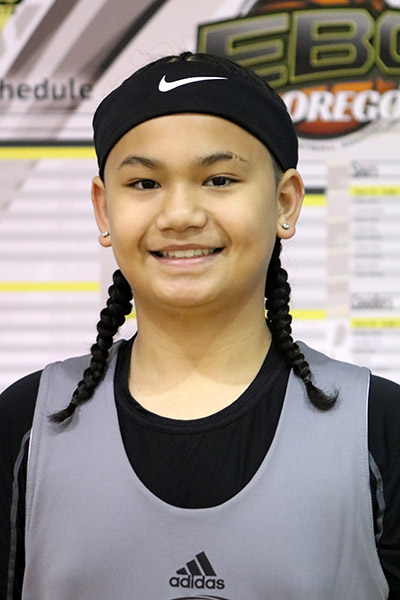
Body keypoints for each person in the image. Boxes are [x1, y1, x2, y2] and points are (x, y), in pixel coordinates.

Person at [1, 52, 399, 600]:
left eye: (219, 179)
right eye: (144, 183)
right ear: (103, 209)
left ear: (285, 202)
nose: (181, 215)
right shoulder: (27, 426)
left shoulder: (380, 431)